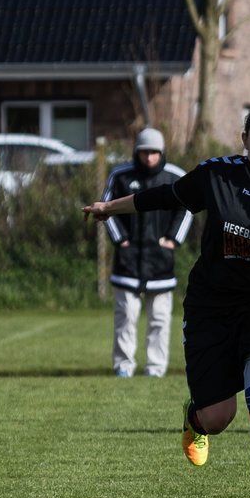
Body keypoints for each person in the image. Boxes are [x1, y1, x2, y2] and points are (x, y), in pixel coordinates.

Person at [84, 105, 250, 498]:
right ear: (244, 137)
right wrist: (109, 208)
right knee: (218, 418)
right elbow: (165, 196)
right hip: (211, 306)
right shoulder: (217, 174)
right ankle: (195, 417)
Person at [99, 127, 191, 378]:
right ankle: (123, 366)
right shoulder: (120, 176)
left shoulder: (175, 176)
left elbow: (187, 209)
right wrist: (121, 240)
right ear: (136, 152)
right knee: (126, 316)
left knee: (160, 319)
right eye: (144, 152)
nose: (149, 157)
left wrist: (172, 240)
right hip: (128, 260)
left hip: (161, 260)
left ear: (161, 152)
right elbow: (106, 209)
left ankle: (155, 368)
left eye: (154, 152)